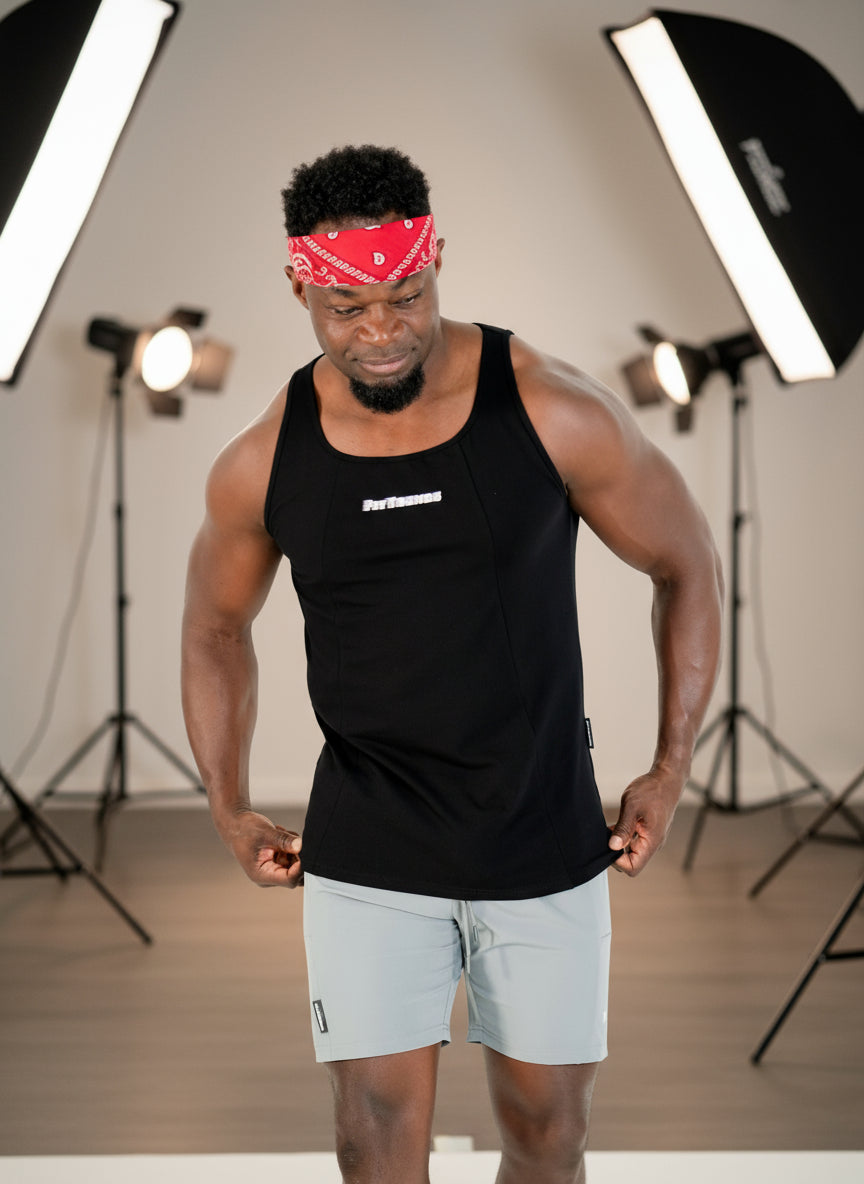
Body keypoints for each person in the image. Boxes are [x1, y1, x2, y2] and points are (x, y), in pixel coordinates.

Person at [181, 144, 723, 1184]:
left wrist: (670, 763)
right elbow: (213, 627)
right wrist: (227, 801)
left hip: (542, 822)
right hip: (371, 833)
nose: (382, 331)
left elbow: (684, 558)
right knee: (374, 1132)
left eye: (407, 296)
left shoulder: (552, 409)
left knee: (547, 1130)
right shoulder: (265, 458)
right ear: (300, 284)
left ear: (438, 266)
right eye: (348, 307)